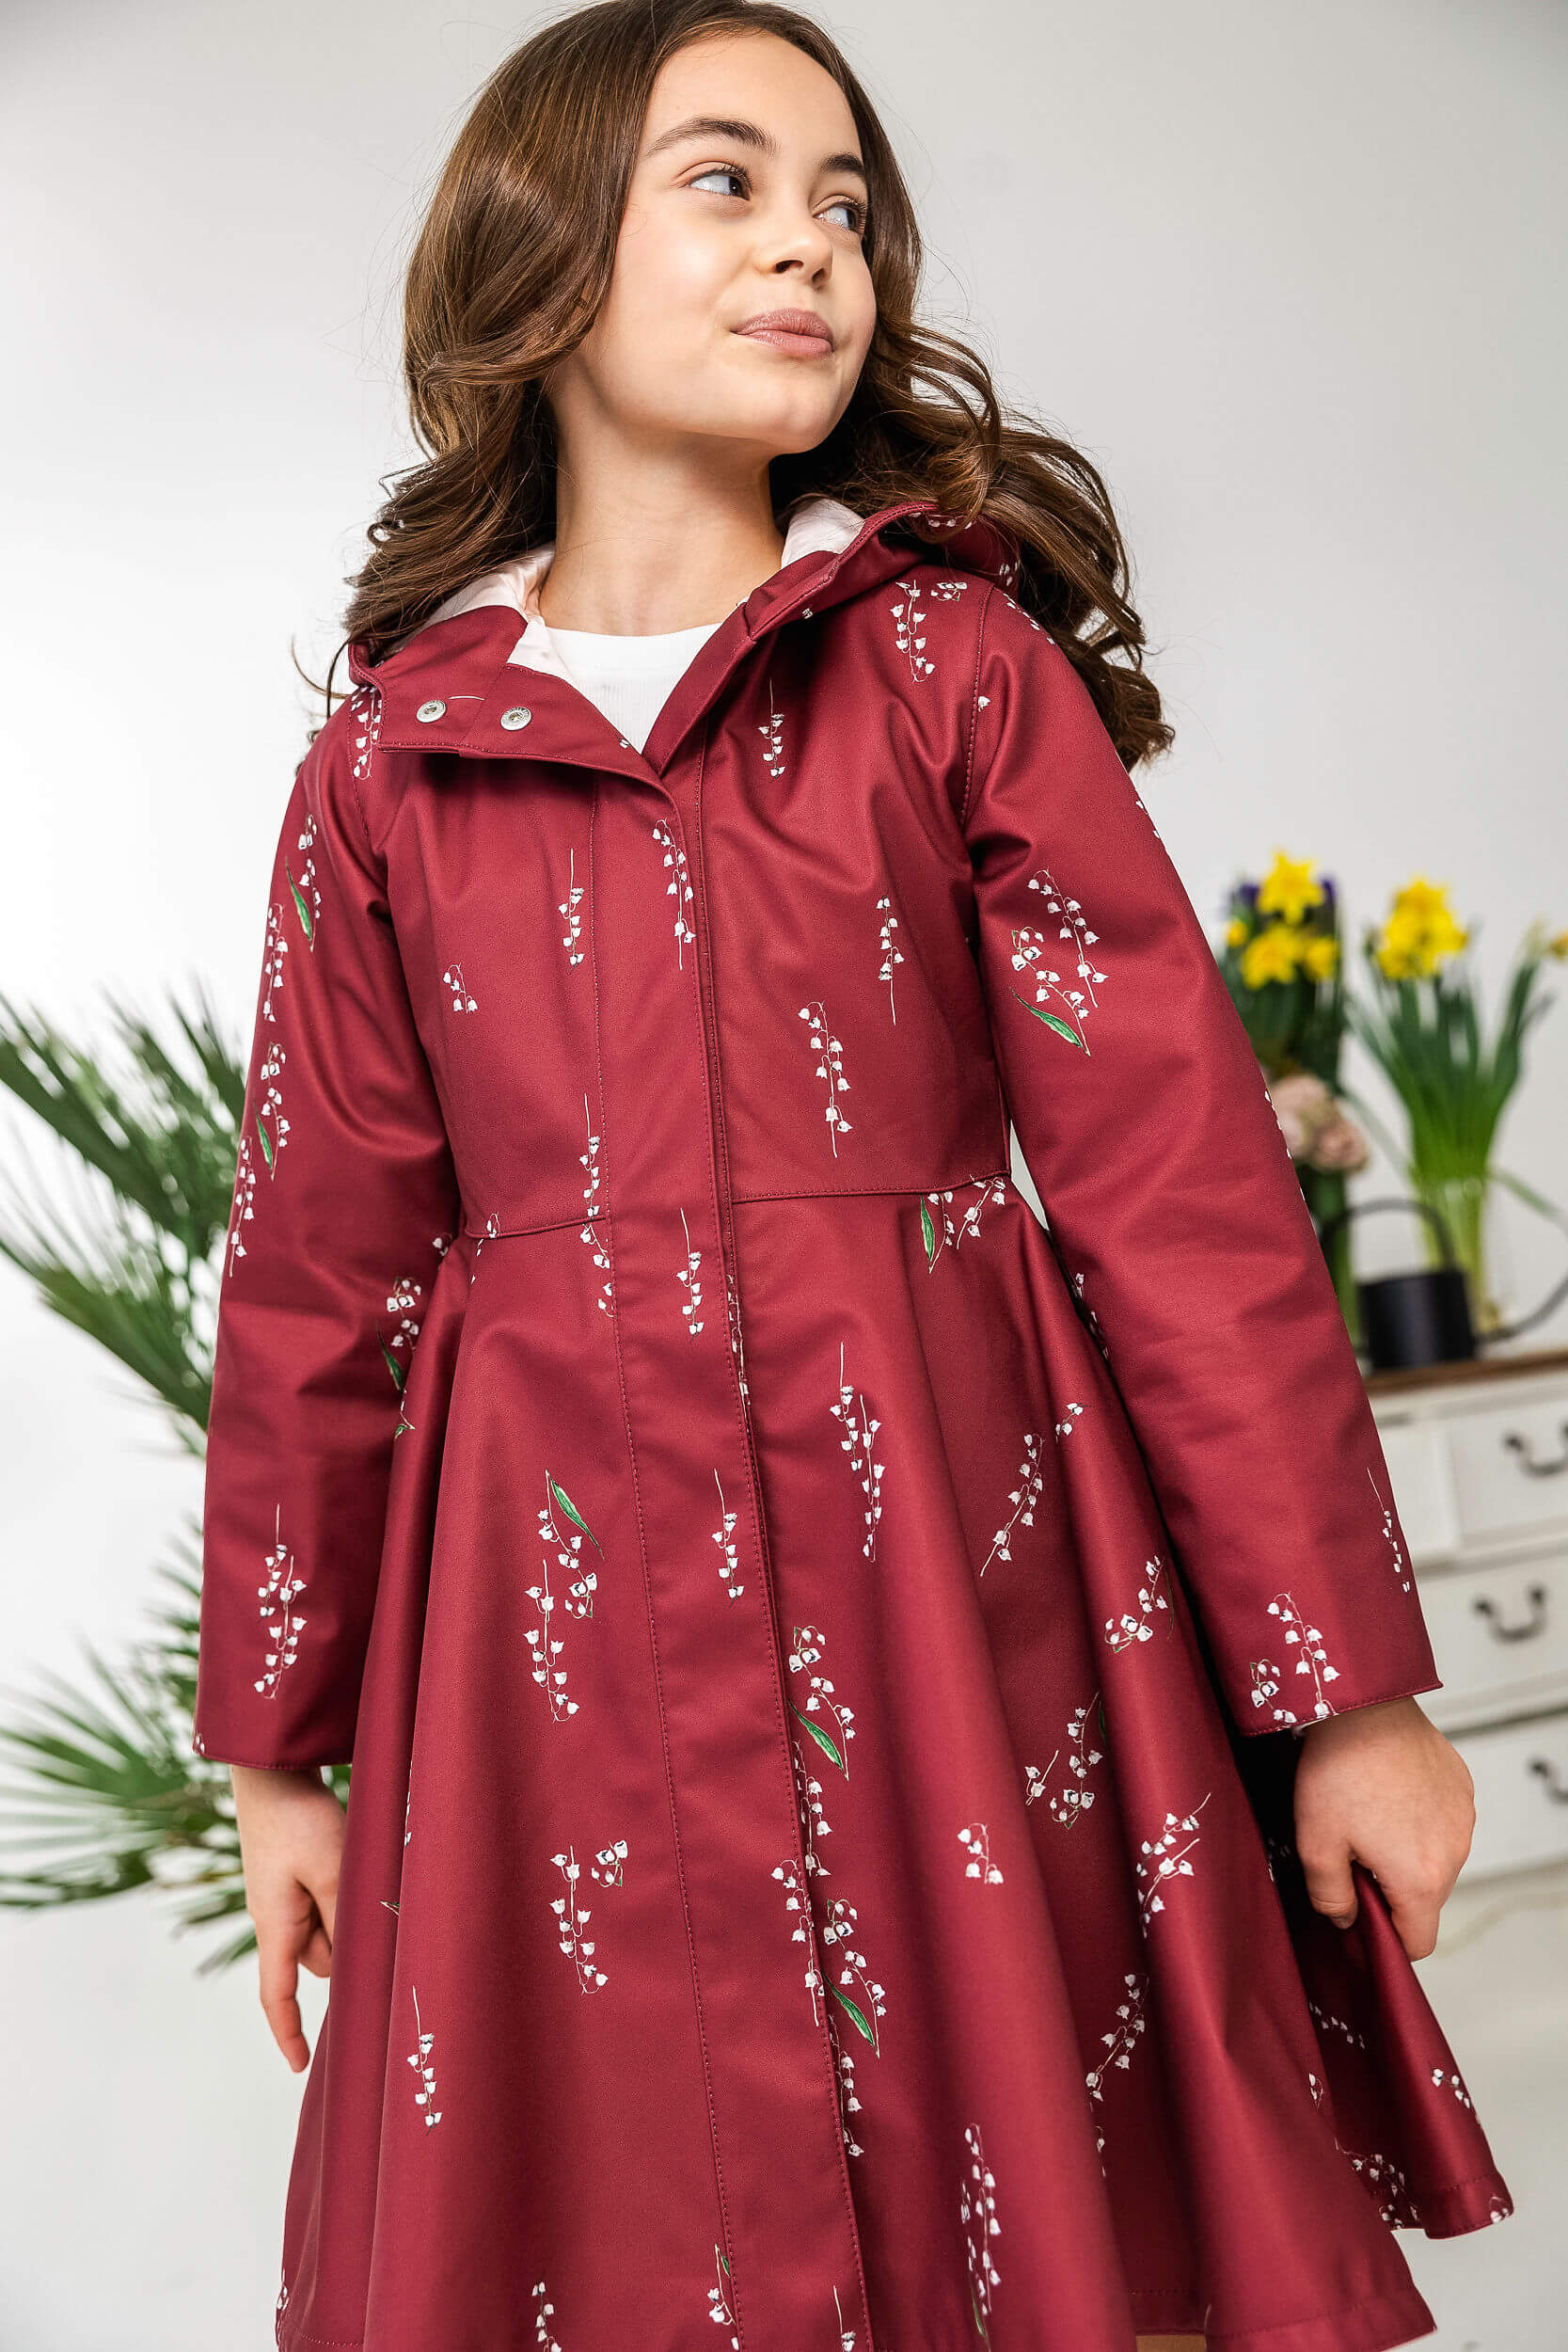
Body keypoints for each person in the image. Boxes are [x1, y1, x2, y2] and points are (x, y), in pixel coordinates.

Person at [193, 6, 1513, 2349]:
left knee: (1049, 2194)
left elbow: (1182, 1186)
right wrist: (281, 1744)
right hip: (551, 1658)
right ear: (539, 253)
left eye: (846, 205)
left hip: (967, 1595)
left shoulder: (948, 669)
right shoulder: (390, 772)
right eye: (728, 182)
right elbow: (322, 1271)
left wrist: (1352, 1693)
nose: (812, 244)